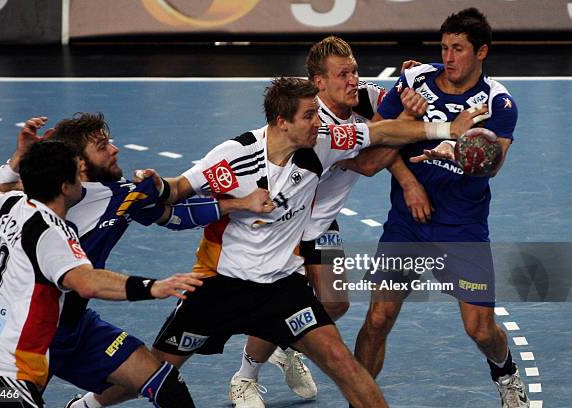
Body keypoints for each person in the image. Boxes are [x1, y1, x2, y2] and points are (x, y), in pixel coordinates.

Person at [89, 76, 486, 408]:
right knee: (157, 367)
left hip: (282, 288)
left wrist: (446, 130)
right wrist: (159, 185)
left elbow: (380, 131)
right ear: (282, 121)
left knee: (342, 363)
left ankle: (259, 364)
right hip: (221, 286)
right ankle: (88, 404)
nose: (319, 122)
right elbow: (178, 189)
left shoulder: (322, 143)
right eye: (310, 115)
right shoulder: (234, 155)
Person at [0, 113, 274, 408]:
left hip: (76, 328)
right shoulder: (36, 203)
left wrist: (240, 204)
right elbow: (87, 282)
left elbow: (173, 214)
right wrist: (18, 159)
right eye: (102, 146)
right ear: (78, 164)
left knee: (165, 382)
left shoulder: (125, 195)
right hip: (26, 336)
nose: (114, 149)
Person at [229, 36, 428, 408]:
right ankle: (244, 376)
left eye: (354, 70)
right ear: (319, 83)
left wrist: (413, 83)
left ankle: (285, 349)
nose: (353, 80)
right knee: (285, 303)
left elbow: (390, 126)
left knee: (334, 304)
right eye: (342, 75)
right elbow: (369, 162)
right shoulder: (312, 126)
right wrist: (408, 116)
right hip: (284, 223)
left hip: (320, 221)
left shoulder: (366, 97)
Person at [351, 8, 528, 408]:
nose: (448, 57)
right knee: (378, 320)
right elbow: (378, 142)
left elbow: (495, 163)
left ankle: (505, 372)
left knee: (480, 330)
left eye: (459, 48)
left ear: (481, 52)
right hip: (407, 225)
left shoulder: (498, 103)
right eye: (445, 47)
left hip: (461, 228)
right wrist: (411, 180)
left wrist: (464, 151)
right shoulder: (415, 81)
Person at [0, 140, 204, 408]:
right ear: (65, 188)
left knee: (166, 384)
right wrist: (153, 287)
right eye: (77, 176)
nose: (83, 181)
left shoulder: (8, 204)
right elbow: (87, 283)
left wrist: (18, 163)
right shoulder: (52, 234)